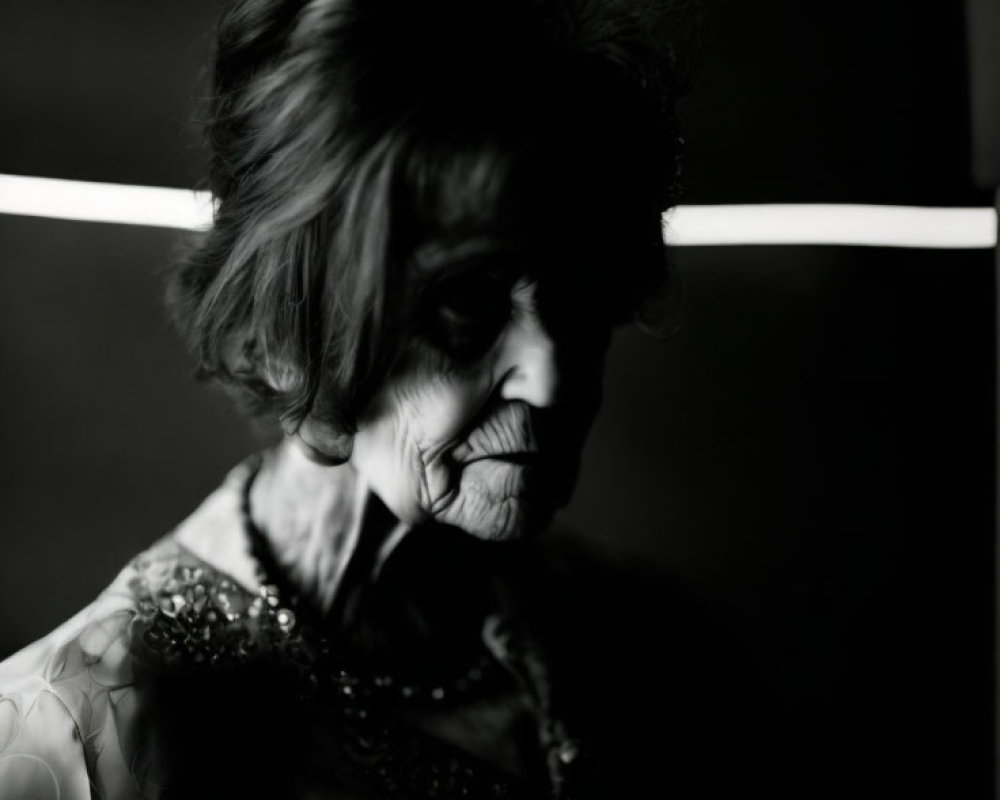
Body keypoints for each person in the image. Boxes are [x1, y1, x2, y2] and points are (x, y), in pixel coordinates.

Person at [0, 0, 772, 797]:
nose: (551, 378)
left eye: (580, 290)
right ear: (293, 324)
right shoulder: (77, 740)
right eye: (465, 304)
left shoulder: (649, 650)